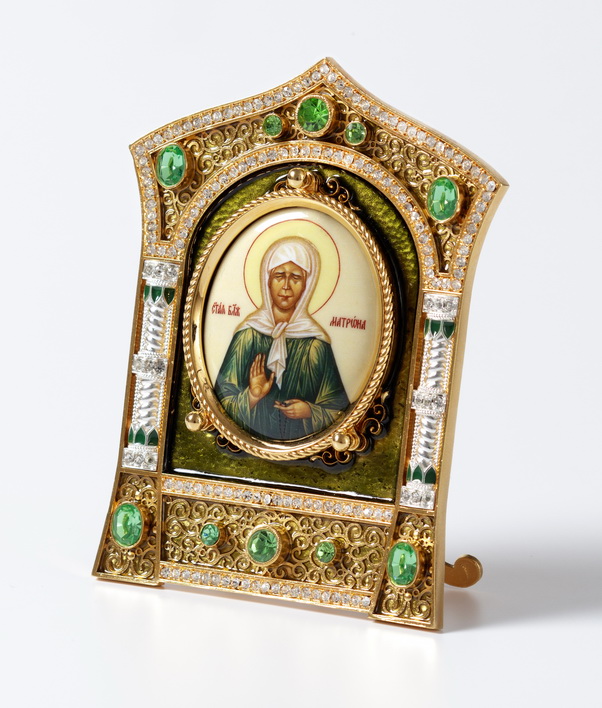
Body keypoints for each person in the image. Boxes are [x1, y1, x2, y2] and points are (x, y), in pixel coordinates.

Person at [214, 236, 349, 440]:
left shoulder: (316, 345)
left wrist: (310, 411)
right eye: (279, 275)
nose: (286, 286)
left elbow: (339, 412)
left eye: (295, 278)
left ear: (307, 285)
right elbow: (220, 404)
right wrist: (252, 395)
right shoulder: (247, 336)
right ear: (267, 280)